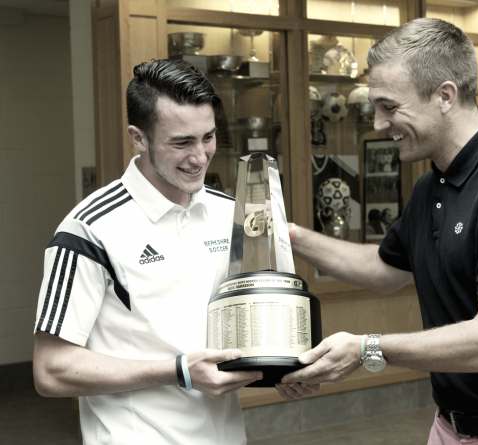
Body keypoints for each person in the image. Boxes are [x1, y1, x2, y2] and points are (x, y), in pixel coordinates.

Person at [276, 18, 478, 443]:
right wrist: (291, 236)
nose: (378, 124)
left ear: (445, 96)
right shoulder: (432, 184)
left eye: (389, 107)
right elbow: (385, 268)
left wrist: (367, 348)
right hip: (452, 427)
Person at [32, 59, 315, 444]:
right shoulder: (89, 228)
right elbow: (51, 370)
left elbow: (233, 331)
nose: (200, 156)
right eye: (181, 142)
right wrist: (178, 370)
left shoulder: (229, 214)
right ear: (139, 137)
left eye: (209, 137)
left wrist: (278, 371)